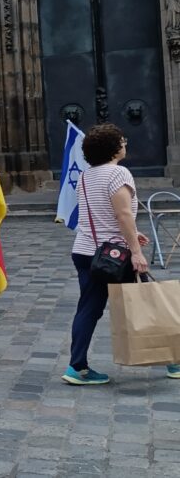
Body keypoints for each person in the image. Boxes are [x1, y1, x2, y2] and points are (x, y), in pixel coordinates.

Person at [62, 124, 179, 384]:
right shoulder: (118, 173)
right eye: (122, 140)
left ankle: (76, 367)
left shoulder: (85, 176)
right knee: (148, 302)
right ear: (114, 148)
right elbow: (122, 214)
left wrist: (133, 233)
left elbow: (99, 214)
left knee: (88, 309)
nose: (125, 143)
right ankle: (173, 361)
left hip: (85, 250)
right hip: (115, 256)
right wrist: (135, 251)